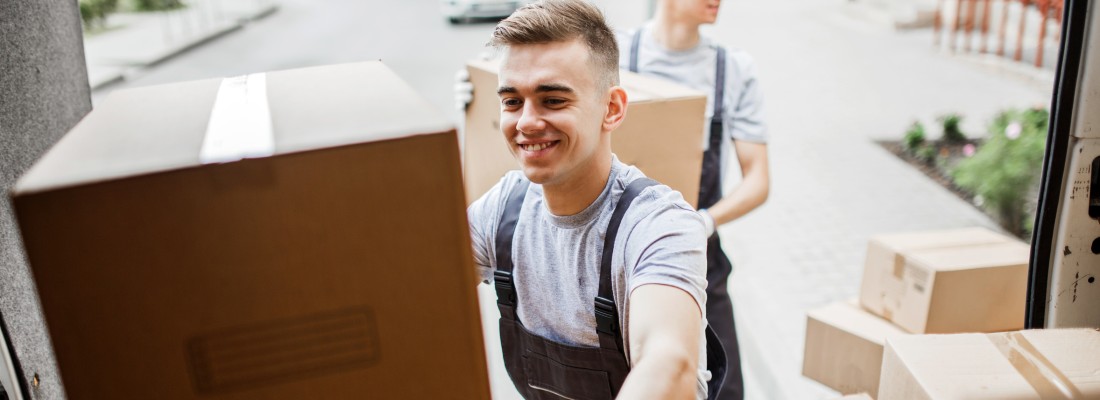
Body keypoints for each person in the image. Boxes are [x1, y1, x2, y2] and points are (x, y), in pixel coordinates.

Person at [465, 0, 727, 398]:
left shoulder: (659, 225)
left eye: (553, 100)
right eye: (512, 101)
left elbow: (668, 362)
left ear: (612, 108)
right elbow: (420, 292)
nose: (527, 122)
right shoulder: (501, 212)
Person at [618, 1, 771, 399]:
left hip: (701, 257)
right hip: (618, 258)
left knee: (725, 389)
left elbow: (758, 179)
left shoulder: (731, 70)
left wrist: (704, 222)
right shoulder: (614, 55)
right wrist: (483, 97)